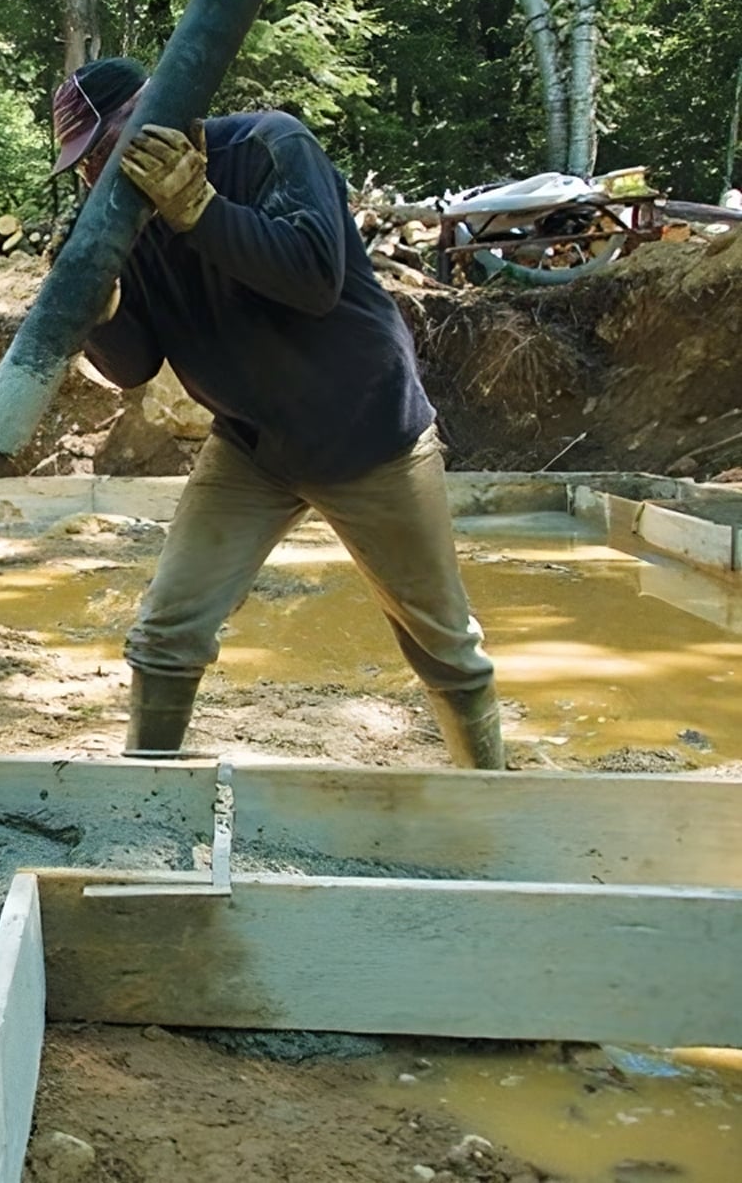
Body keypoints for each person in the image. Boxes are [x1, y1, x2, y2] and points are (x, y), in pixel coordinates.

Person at [47, 57, 504, 769]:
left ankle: (493, 800)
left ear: (160, 111)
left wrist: (198, 211)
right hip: (253, 446)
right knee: (167, 630)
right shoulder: (121, 219)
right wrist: (98, 310)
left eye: (109, 146)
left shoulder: (267, 146)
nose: (98, 173)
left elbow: (313, 277)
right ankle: (145, 799)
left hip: (368, 433)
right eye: (86, 163)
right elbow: (134, 365)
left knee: (444, 643)